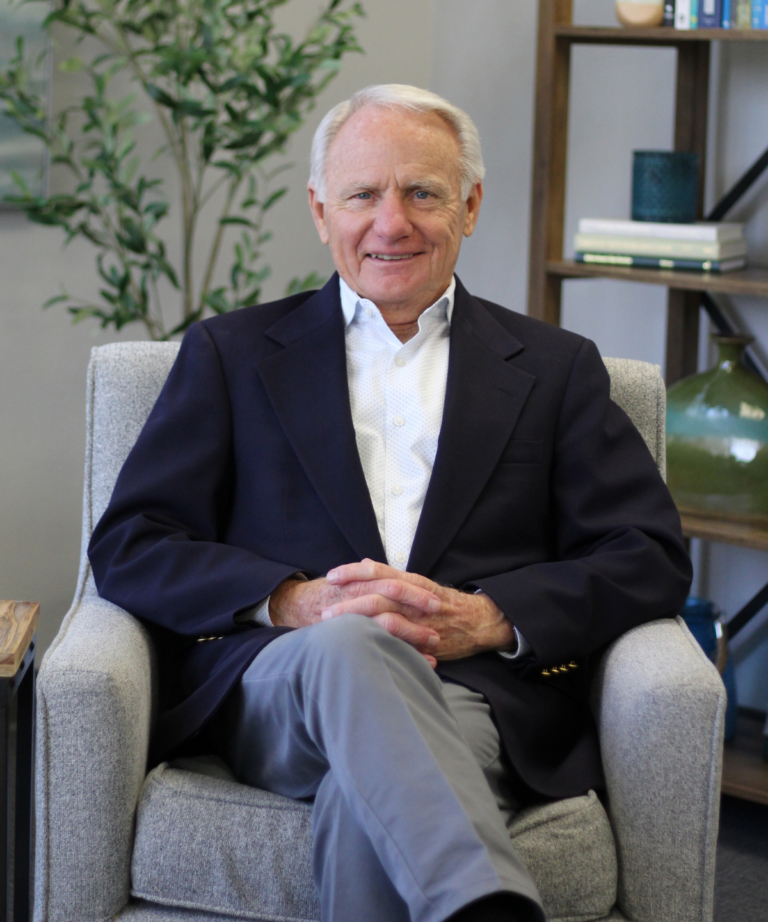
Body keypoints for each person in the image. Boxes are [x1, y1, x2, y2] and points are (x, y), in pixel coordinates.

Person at [89, 84, 692, 922]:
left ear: (470, 206)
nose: (391, 222)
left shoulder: (556, 370)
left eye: (423, 192)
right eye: (363, 194)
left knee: (361, 804)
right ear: (320, 210)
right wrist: (298, 603)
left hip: (472, 692)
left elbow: (648, 555)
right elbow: (132, 543)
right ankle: (485, 903)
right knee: (350, 648)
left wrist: (486, 618)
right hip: (281, 685)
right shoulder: (229, 355)